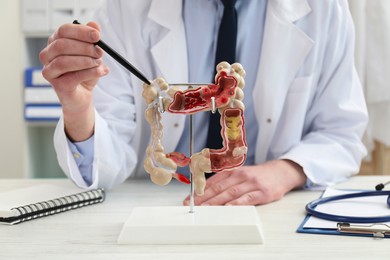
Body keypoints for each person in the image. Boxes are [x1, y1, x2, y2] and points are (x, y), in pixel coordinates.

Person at [39, 0, 368, 206]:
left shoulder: (325, 9)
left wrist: (285, 171)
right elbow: (106, 164)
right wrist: (78, 108)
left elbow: (340, 134)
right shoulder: (125, 10)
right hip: (159, 208)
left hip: (270, 210)